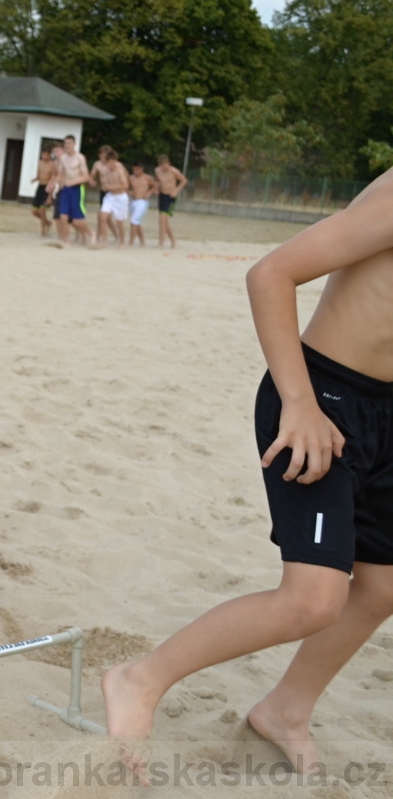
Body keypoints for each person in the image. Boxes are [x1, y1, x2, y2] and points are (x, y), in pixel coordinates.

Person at [102, 168, 393, 778]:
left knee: (383, 586)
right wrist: (300, 401)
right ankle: (139, 679)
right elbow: (270, 274)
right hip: (320, 399)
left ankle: (286, 709)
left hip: (385, 416)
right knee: (313, 599)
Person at [50, 135, 94, 246]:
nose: (66, 146)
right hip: (65, 189)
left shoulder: (80, 158)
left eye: (69, 143)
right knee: (63, 216)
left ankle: (91, 233)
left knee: (76, 220)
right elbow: (61, 173)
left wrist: (73, 182)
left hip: (76, 189)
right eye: (65, 143)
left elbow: (85, 176)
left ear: (74, 144)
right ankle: (66, 240)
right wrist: (55, 184)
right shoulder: (63, 158)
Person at [90, 145, 130, 247]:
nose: (106, 164)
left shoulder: (119, 169)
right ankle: (104, 241)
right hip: (109, 196)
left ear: (113, 161)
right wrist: (102, 186)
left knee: (119, 222)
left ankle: (121, 242)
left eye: (108, 161)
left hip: (120, 197)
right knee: (102, 217)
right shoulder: (102, 168)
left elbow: (125, 185)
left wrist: (110, 187)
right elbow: (96, 177)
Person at [154, 154, 187, 249]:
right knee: (163, 221)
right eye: (161, 165)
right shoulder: (157, 171)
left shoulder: (174, 171)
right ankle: (173, 239)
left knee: (162, 219)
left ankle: (161, 242)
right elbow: (158, 181)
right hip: (162, 195)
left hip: (171, 196)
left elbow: (184, 180)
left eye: (165, 165)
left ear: (168, 163)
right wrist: (157, 188)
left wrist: (176, 190)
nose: (164, 167)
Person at [127, 162, 157, 247]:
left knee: (134, 222)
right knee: (137, 223)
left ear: (141, 169)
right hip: (133, 201)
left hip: (142, 202)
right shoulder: (131, 178)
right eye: (134, 170)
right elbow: (126, 187)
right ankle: (142, 241)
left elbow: (155, 186)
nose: (135, 171)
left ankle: (130, 242)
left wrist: (149, 193)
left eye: (137, 169)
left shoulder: (147, 178)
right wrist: (129, 192)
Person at [31, 147, 54, 237]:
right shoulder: (40, 163)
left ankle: (43, 231)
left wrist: (50, 196)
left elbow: (52, 179)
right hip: (40, 187)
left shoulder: (52, 165)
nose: (45, 156)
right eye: (43, 154)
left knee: (42, 210)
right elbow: (39, 175)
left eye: (46, 154)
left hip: (47, 188)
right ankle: (48, 223)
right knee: (34, 211)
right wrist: (34, 179)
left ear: (49, 155)